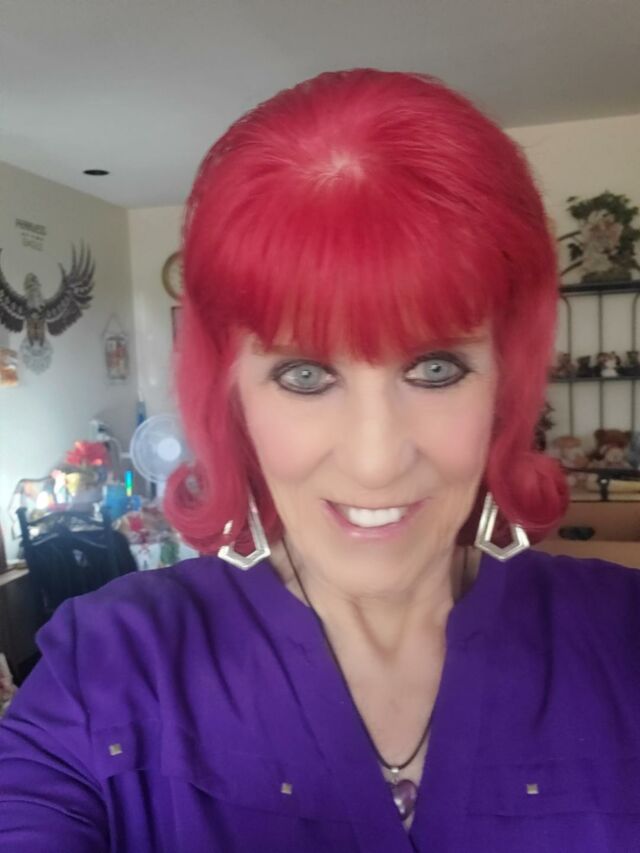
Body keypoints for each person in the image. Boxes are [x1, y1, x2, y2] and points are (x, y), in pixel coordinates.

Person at [1, 68, 639, 853]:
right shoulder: (105, 671)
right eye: (304, 375)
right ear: (231, 394)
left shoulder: (623, 642)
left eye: (435, 367)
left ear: (506, 382)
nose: (375, 462)